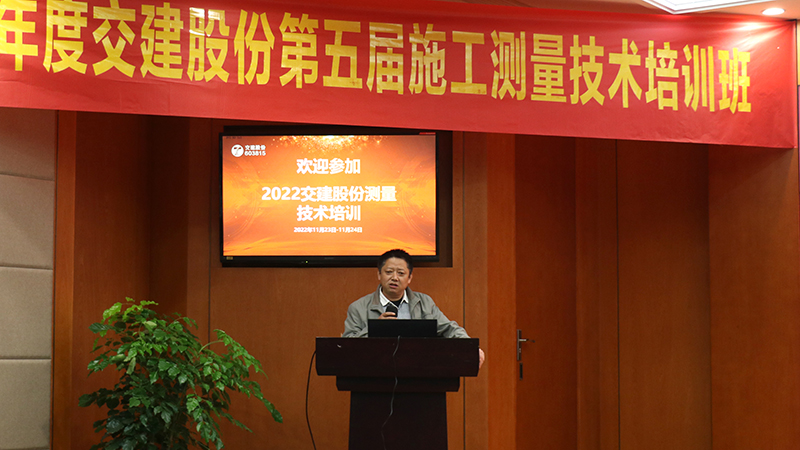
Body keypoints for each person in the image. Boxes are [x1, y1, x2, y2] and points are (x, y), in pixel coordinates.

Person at [343, 249, 485, 368]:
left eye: (401, 273)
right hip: (374, 373)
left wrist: (471, 348)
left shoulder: (424, 303)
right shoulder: (358, 307)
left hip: (418, 372)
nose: (394, 278)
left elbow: (449, 328)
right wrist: (375, 329)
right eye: (389, 272)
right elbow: (346, 346)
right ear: (379, 274)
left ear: (410, 278)